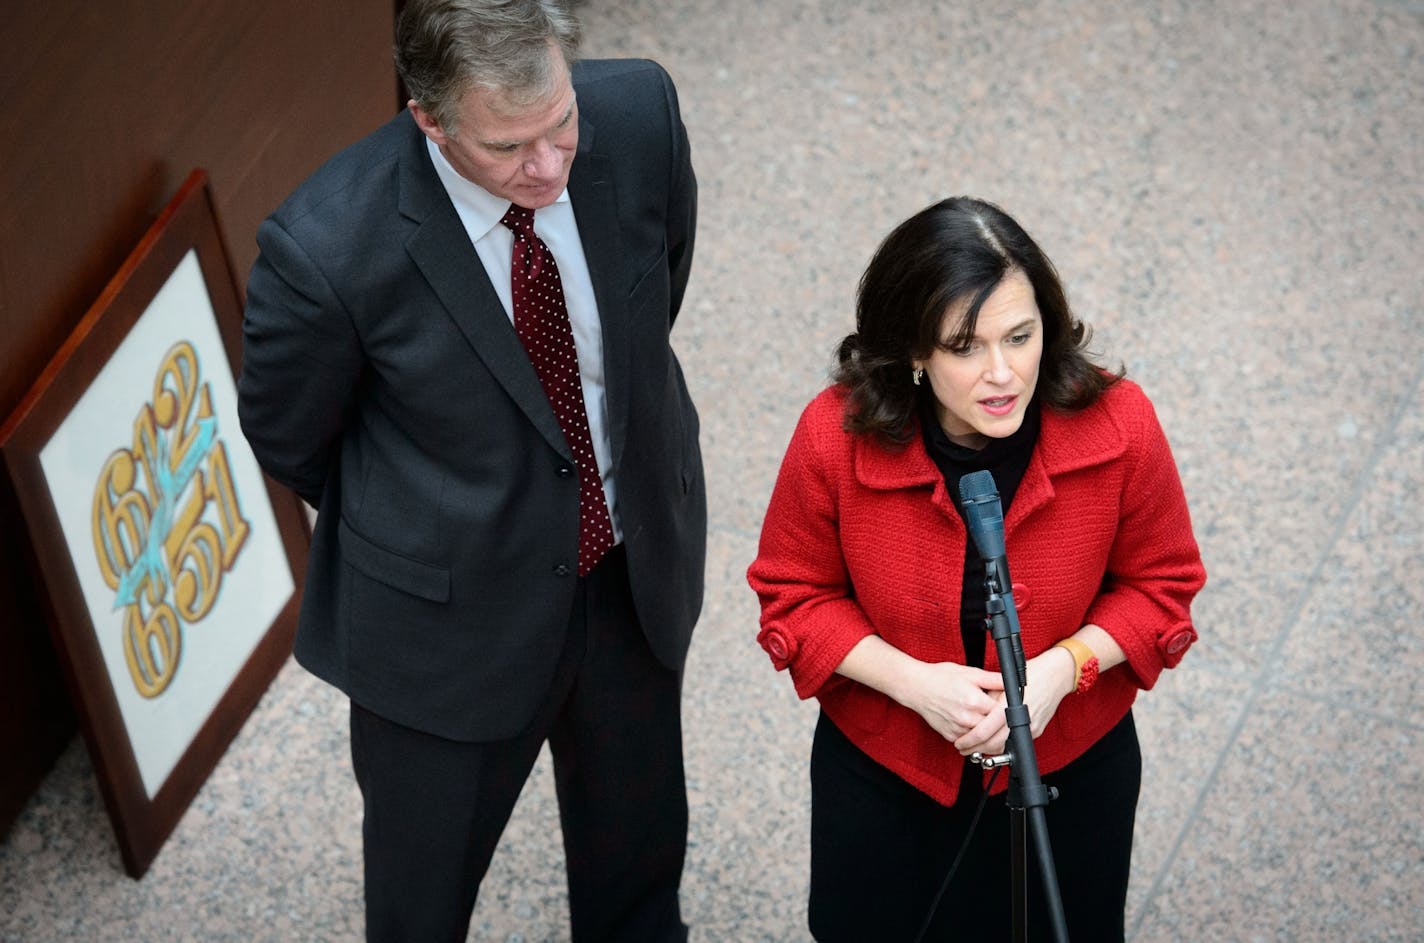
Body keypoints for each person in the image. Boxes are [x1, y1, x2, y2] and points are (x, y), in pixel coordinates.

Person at [237, 1, 704, 940]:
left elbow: (657, 295)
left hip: (627, 567)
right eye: (507, 147)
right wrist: (431, 516)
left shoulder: (638, 114)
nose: (547, 166)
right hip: (443, 626)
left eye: (559, 124)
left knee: (639, 867)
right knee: (422, 904)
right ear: (429, 118)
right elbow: (290, 434)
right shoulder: (327, 248)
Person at [747, 196, 1205, 942]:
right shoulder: (832, 436)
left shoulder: (1122, 424)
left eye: (1020, 336)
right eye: (964, 346)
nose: (1002, 373)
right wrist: (916, 685)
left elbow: (1163, 586)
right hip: (884, 775)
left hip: (1072, 768)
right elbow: (793, 596)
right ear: (914, 352)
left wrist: (1063, 669)